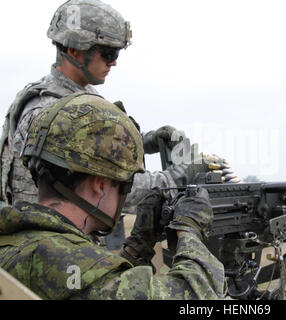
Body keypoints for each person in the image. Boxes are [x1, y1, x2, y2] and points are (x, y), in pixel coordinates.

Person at [0, 0, 235, 209]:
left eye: (117, 54)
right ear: (74, 50)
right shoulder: (45, 111)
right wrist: (178, 178)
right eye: (108, 53)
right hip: (46, 247)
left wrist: (146, 142)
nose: (113, 63)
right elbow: (108, 187)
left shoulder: (80, 98)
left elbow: (95, 148)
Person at [0, 93, 225, 299]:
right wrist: (190, 230)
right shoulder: (65, 262)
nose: (124, 195)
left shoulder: (19, 240)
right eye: (125, 185)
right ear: (100, 185)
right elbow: (194, 297)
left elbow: (107, 286)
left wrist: (137, 247)